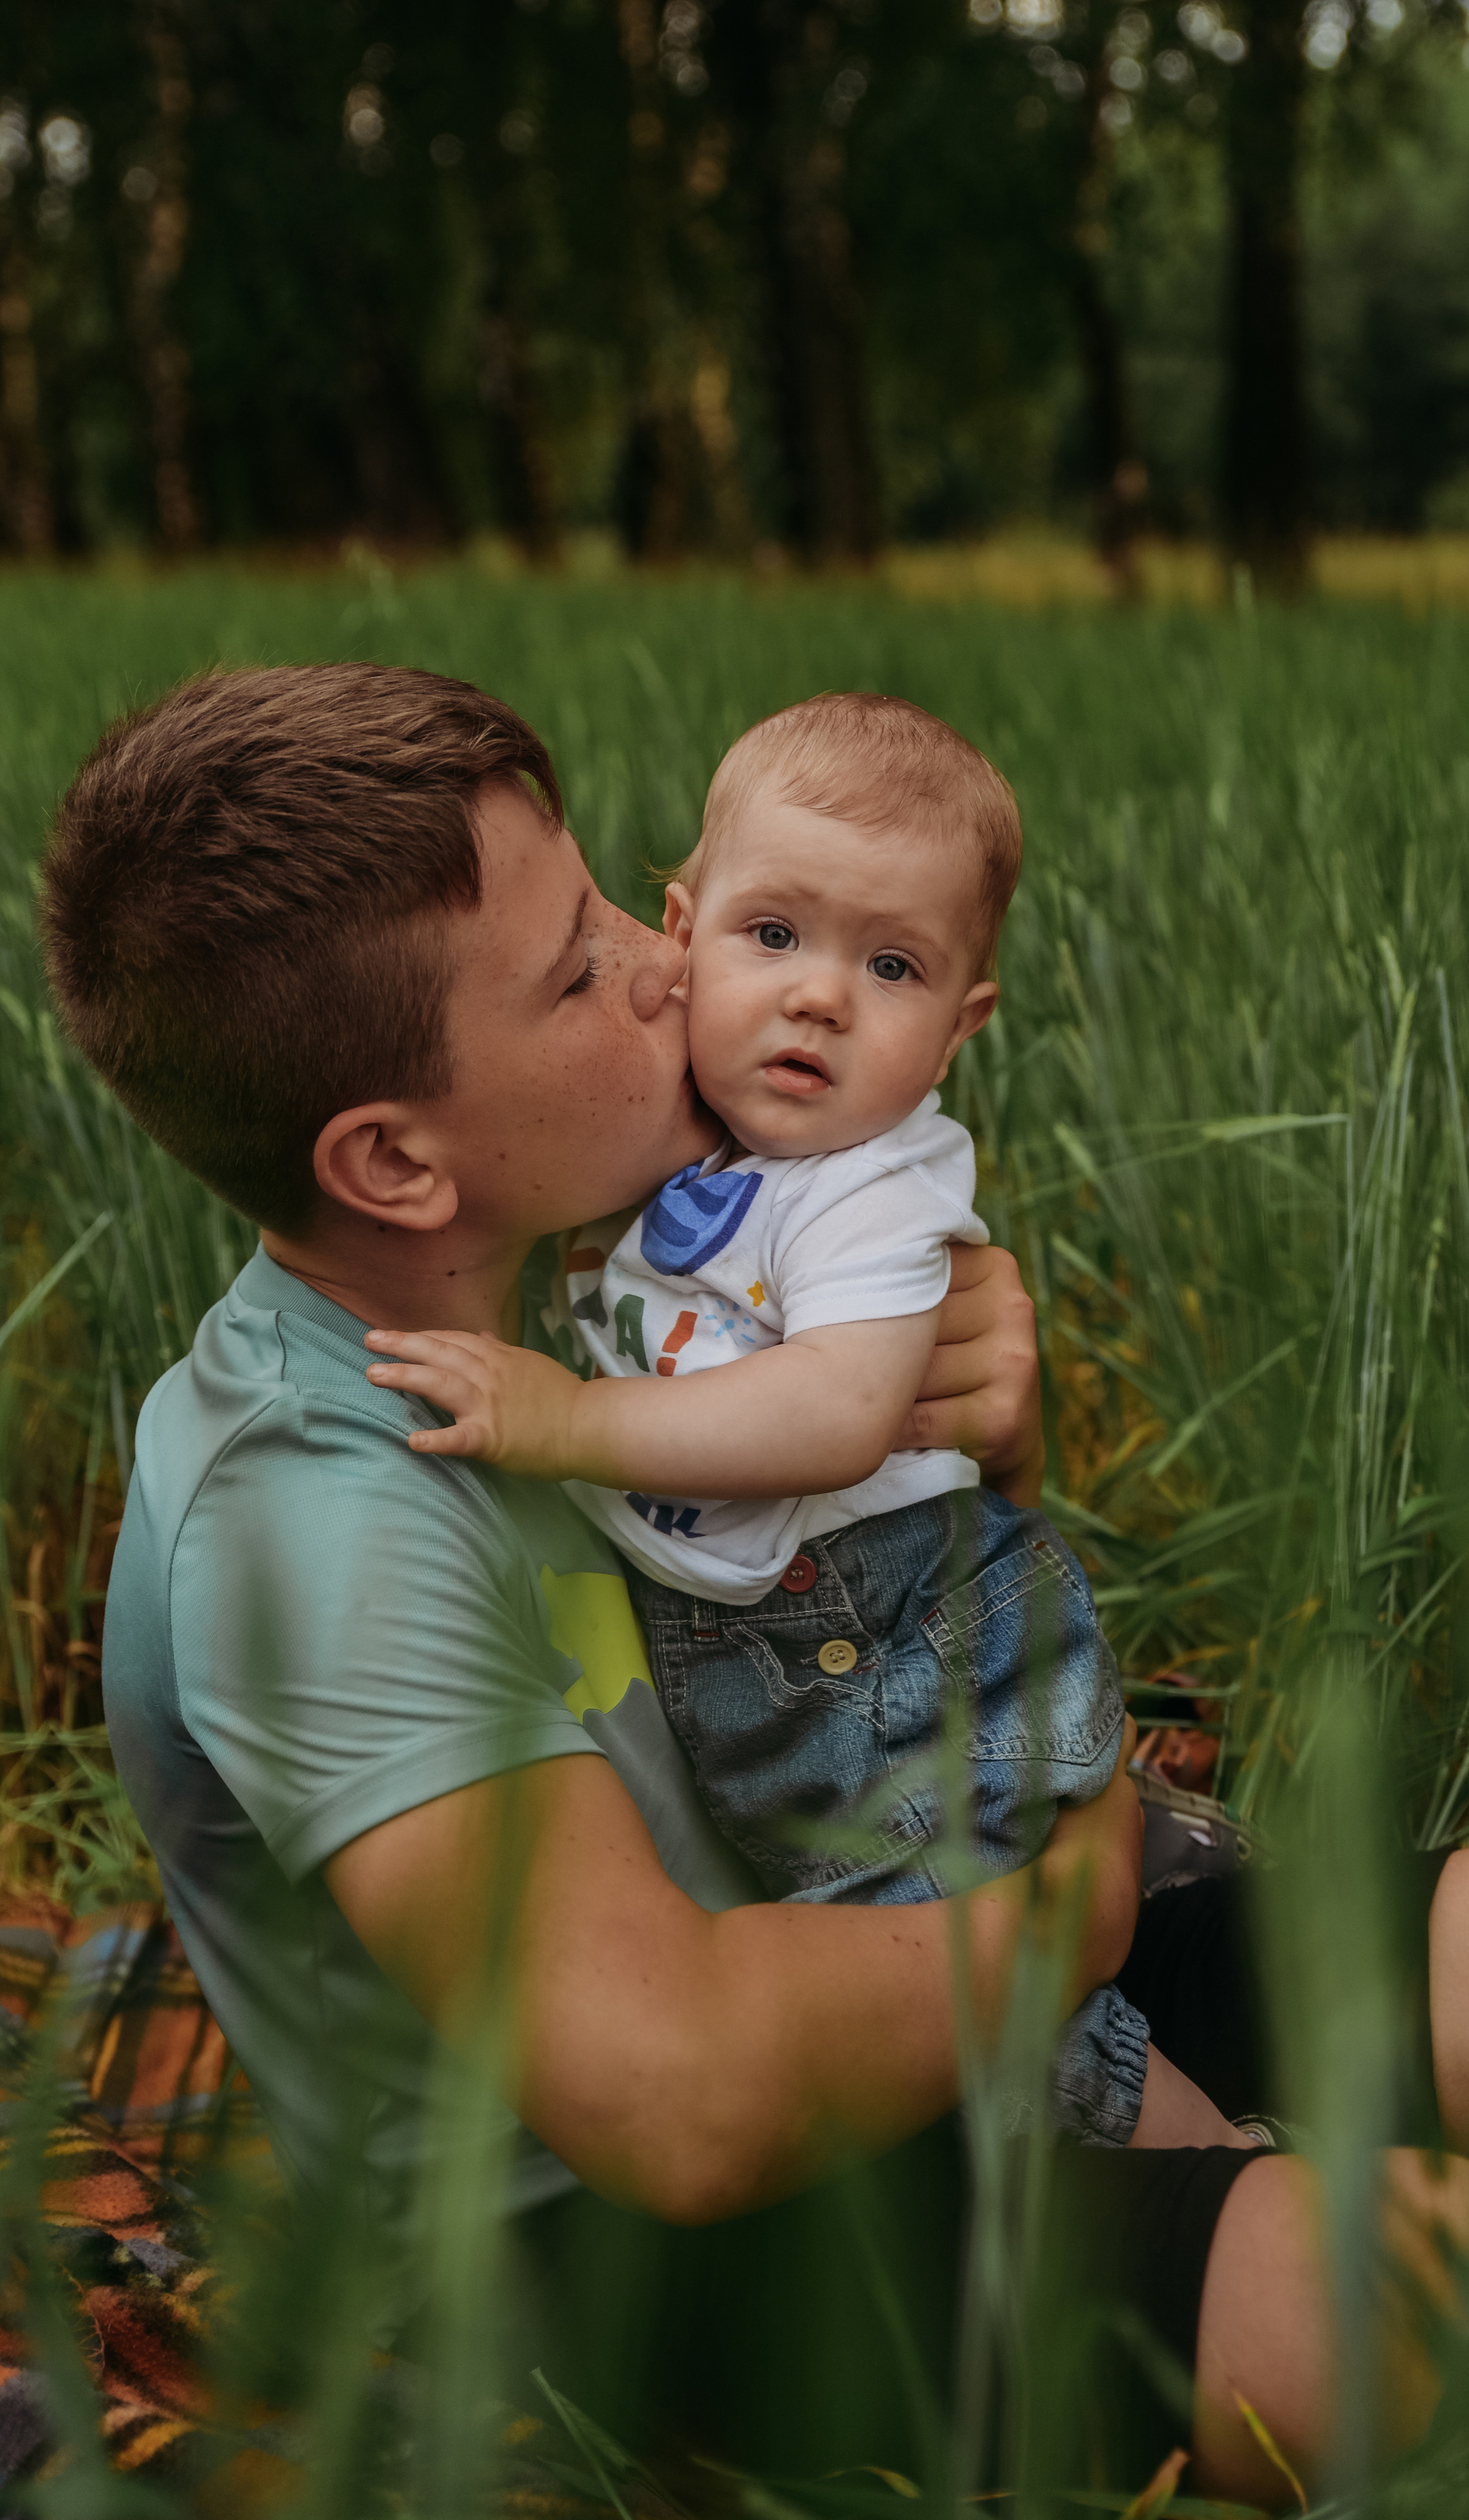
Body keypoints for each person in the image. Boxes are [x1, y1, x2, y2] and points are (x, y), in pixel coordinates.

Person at [40, 662, 1469, 2507]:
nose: (659, 955)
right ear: (391, 1159)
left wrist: (967, 1442)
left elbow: (860, 1541)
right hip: (665, 2214)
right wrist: (1068, 1924)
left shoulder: (558, 1232)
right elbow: (674, 2098)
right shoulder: (312, 1525)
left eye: (620, 898)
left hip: (902, 1876)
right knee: (1449, 2299)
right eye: (571, 971)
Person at [361, 691, 1188, 2155]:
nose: (817, 996)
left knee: (1024, 2044)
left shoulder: (872, 1183)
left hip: (883, 1665)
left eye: (889, 965)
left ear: (957, 1026)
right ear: (687, 932)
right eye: (771, 936)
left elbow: (836, 1414)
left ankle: (1205, 2169)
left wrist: (569, 1419)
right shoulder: (703, 1139)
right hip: (793, 1672)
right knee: (955, 2009)